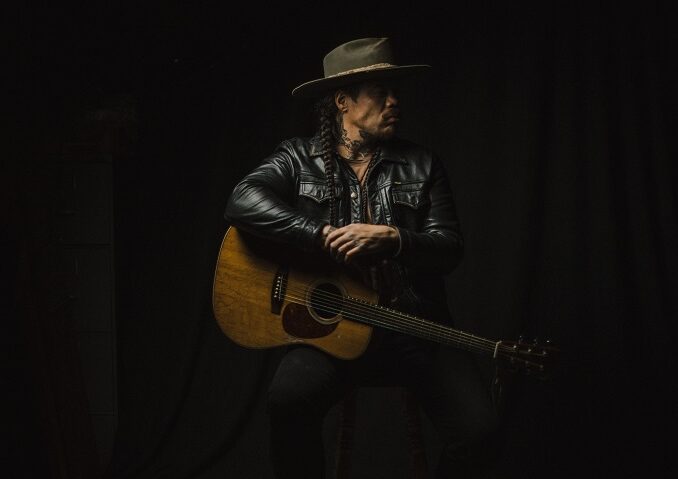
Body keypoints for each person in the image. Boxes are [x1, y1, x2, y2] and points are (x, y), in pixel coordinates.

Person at [225, 37, 497, 478]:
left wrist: (395, 239)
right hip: (333, 331)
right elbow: (242, 199)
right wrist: (320, 235)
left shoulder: (422, 163)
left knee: (480, 431)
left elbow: (450, 248)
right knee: (287, 399)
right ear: (343, 101)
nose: (394, 101)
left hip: (415, 326)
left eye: (396, 91)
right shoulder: (297, 157)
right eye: (380, 92)